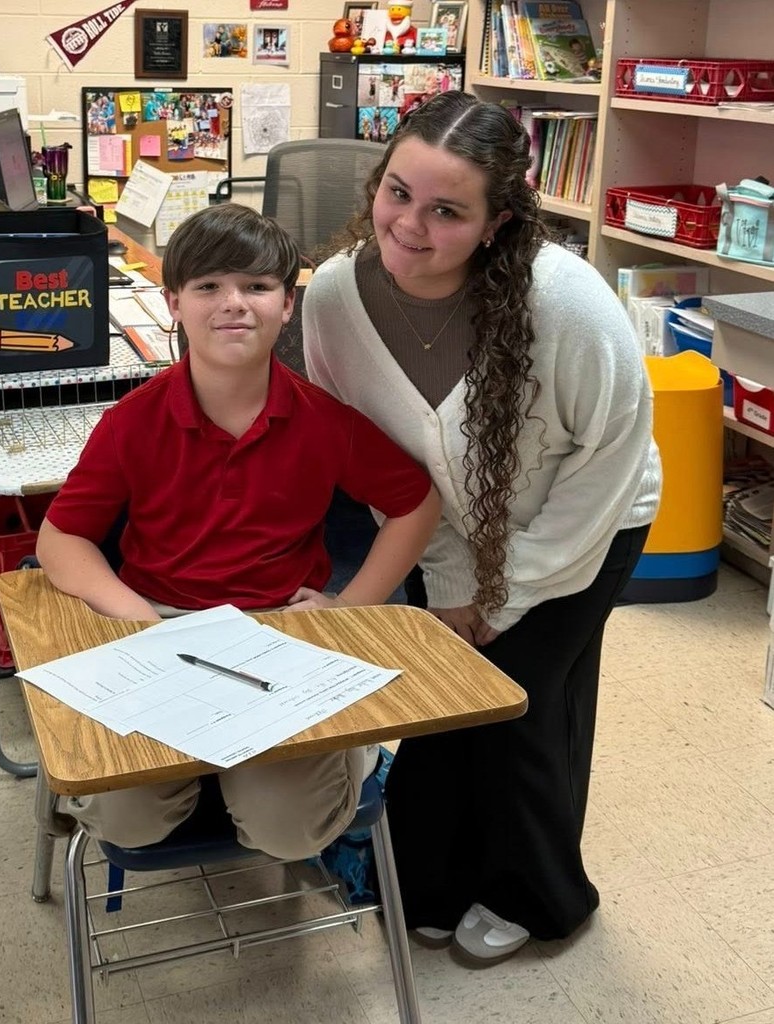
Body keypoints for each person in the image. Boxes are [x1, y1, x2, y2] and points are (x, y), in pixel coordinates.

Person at [302, 91, 661, 963]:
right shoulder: (336, 297)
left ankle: (541, 899)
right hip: (442, 532)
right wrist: (456, 585)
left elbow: (609, 460)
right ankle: (430, 881)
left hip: (588, 524)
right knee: (440, 697)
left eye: (447, 211)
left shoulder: (564, 303)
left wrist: (508, 593)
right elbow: (371, 461)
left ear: (498, 221)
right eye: (398, 193)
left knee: (519, 701)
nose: (408, 226)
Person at [36, 203, 440, 861]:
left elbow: (416, 503)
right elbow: (60, 540)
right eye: (208, 286)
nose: (233, 304)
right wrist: (138, 620)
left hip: (277, 635)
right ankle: (209, 769)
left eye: (256, 286)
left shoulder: (323, 421)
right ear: (174, 303)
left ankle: (339, 752)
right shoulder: (133, 421)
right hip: (161, 628)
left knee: (289, 831)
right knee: (127, 819)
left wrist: (348, 607)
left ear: (288, 304)